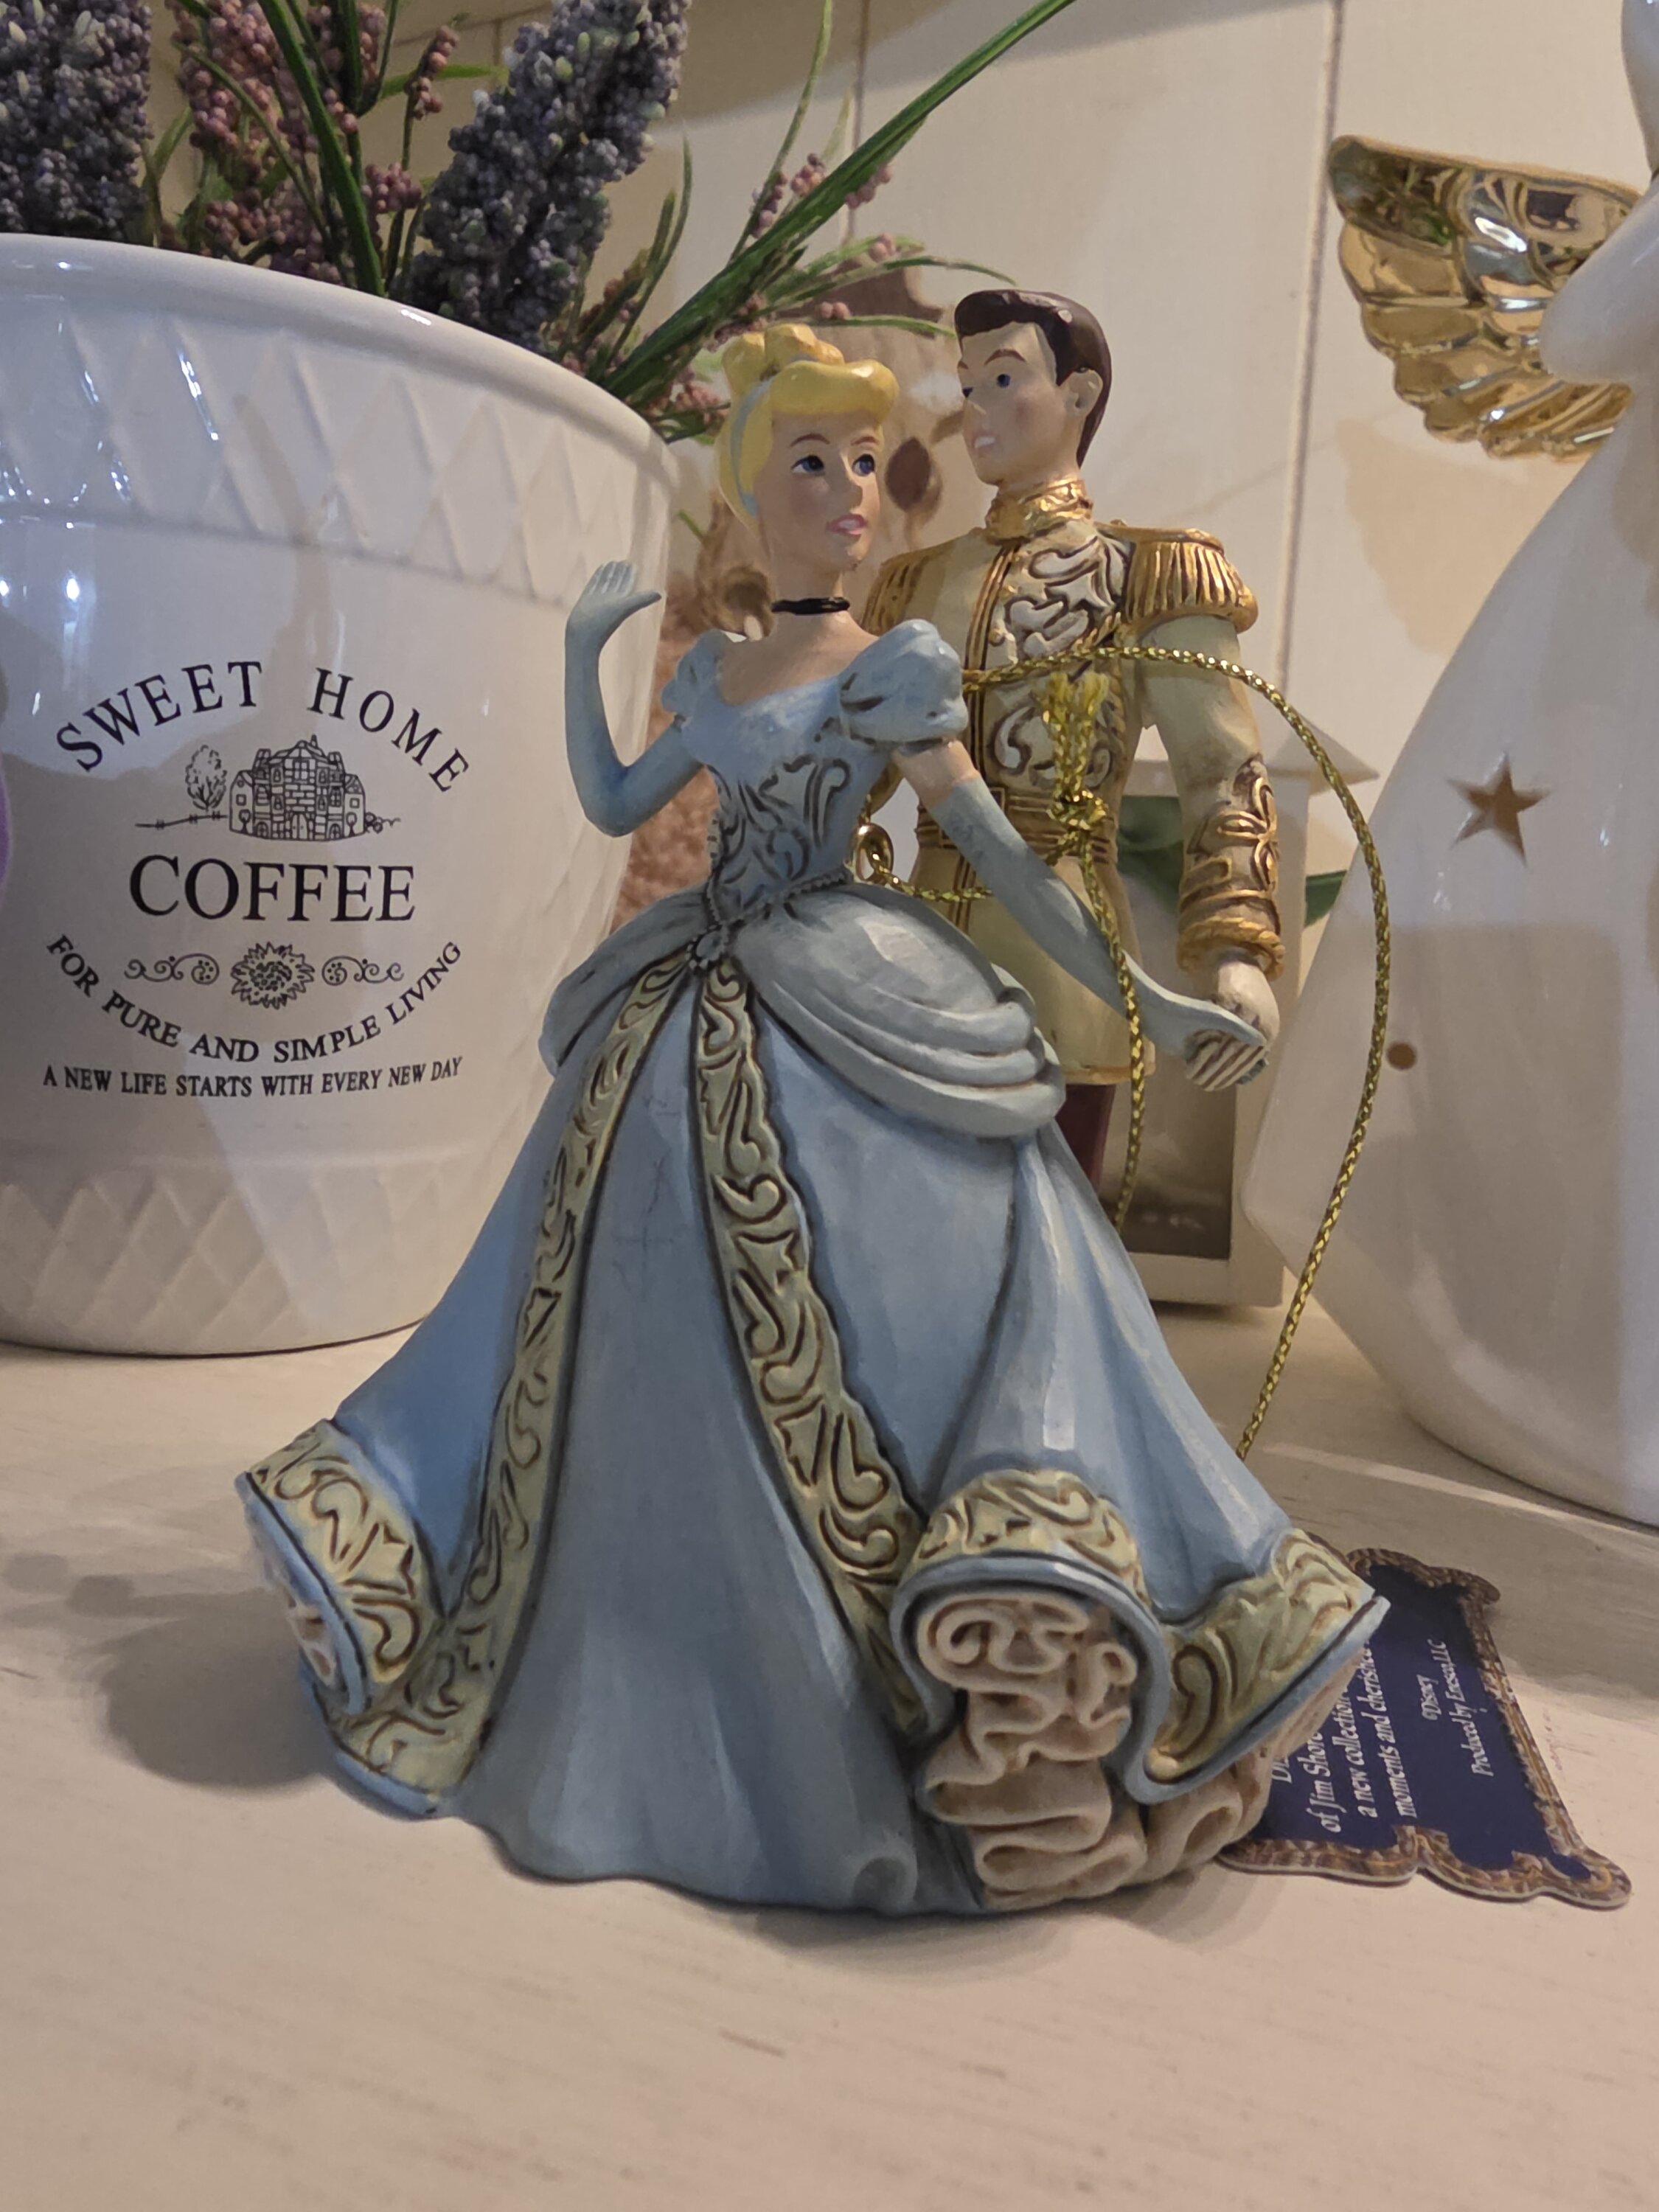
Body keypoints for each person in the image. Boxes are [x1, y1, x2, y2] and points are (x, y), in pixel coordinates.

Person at [240, 326, 1379, 1915]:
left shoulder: (893, 664)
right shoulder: (714, 668)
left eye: (864, 464)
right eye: (815, 465)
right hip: (681, 988)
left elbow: (1002, 849)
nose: (854, 492)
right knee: (597, 1278)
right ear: (750, 497)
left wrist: (1152, 996)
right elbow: (619, 801)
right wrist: (582, 659)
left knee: (954, 1267)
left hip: (847, 978)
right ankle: (616, 1614)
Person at [864, 288, 1283, 1186]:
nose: (975, 409)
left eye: (1003, 379)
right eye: (967, 385)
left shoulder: (1149, 576)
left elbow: (1221, 772)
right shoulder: (909, 586)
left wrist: (1236, 953)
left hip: (1069, 969)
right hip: (916, 967)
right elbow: (847, 779)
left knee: (1055, 1230)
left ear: (1080, 394)